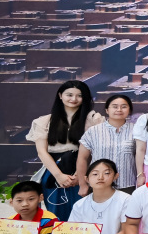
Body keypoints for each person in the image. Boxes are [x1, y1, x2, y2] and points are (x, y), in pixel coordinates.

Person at [27, 80, 103, 220]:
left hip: (85, 170)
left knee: (85, 213)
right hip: (54, 170)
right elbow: (42, 152)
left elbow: (96, 150)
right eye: (69, 95)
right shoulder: (44, 122)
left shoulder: (94, 120)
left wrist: (80, 175)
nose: (74, 99)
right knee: (57, 212)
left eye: (79, 95)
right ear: (60, 95)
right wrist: (59, 176)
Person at [76, 94, 136, 193]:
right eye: (115, 106)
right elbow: (82, 158)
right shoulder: (93, 131)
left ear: (129, 110)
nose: (119, 110)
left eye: (124, 106)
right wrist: (82, 184)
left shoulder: (137, 130)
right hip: (98, 184)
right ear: (107, 110)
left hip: (128, 184)